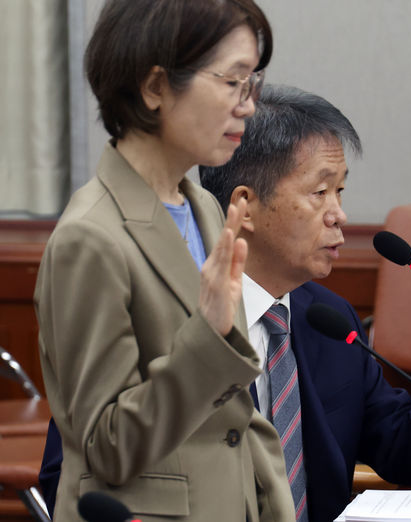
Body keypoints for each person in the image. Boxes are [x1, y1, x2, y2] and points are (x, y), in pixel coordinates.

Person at [40, 84, 411, 521]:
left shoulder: (325, 318)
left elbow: (397, 442)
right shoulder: (159, 315)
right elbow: (71, 470)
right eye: (319, 192)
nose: (339, 214)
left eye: (341, 192)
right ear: (245, 208)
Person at [33, 1, 294, 521]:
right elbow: (107, 445)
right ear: (155, 88)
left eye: (252, 84)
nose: (247, 106)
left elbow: (238, 414)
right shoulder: (89, 238)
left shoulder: (203, 206)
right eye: (231, 82)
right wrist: (209, 339)